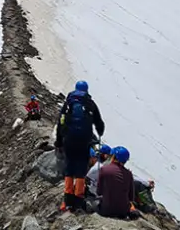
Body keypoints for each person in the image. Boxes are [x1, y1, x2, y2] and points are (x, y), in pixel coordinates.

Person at [55, 80, 105, 211]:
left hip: (69, 140)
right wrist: (100, 131)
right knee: (81, 169)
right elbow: (99, 123)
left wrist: (59, 141)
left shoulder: (68, 104)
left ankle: (67, 201)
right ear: (86, 90)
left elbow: (60, 123)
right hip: (84, 141)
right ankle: (78, 200)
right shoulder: (90, 104)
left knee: (69, 167)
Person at [96, 146, 140, 220]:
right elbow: (131, 197)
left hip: (106, 210)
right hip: (123, 212)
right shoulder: (128, 174)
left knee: (91, 203)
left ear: (114, 157)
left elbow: (99, 192)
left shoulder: (104, 169)